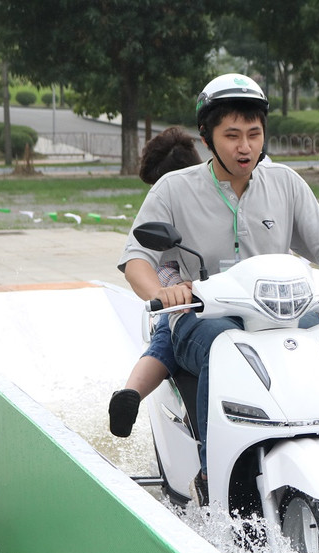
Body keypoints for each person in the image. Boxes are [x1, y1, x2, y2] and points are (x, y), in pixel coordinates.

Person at [117, 73, 319, 506]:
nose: (245, 147)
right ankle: (211, 470)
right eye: (232, 135)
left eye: (254, 134)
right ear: (207, 138)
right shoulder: (174, 189)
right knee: (222, 343)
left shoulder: (286, 183)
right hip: (203, 319)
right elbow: (136, 262)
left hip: (280, 314)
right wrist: (163, 293)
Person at [109, 127, 202, 438]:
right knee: (169, 333)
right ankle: (131, 395)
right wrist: (170, 293)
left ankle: (132, 391)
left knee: (165, 338)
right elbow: (145, 265)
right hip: (191, 301)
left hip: (200, 299)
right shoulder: (172, 206)